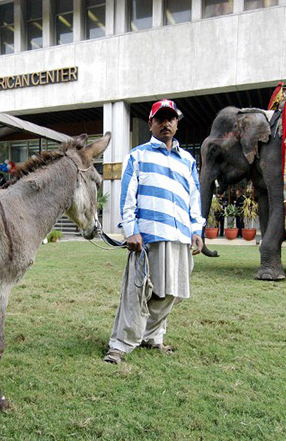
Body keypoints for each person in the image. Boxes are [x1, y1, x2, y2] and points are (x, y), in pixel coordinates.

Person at [103, 99, 204, 364]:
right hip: (148, 237)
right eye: (160, 119)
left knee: (172, 291)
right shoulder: (138, 156)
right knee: (139, 292)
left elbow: (194, 198)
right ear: (151, 123)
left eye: (170, 119)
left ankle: (152, 336)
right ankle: (120, 345)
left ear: (177, 123)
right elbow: (127, 198)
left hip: (180, 235)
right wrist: (131, 230)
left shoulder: (188, 161)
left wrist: (196, 229)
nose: (166, 124)